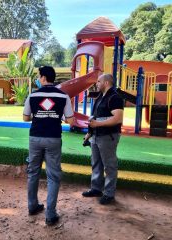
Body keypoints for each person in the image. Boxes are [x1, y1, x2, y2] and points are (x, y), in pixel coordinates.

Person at [23, 66, 74, 226]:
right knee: (53, 176)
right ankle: (50, 215)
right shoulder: (63, 96)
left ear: (44, 78)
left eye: (39, 76)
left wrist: (39, 115)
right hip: (53, 138)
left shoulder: (33, 95)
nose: (38, 78)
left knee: (33, 172)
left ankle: (32, 206)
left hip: (35, 137)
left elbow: (25, 118)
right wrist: (56, 117)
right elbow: (70, 120)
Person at [82, 73, 124, 205]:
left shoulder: (115, 97)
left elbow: (118, 118)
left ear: (106, 83)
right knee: (96, 164)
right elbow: (95, 117)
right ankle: (96, 189)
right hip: (96, 135)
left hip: (108, 136)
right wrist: (89, 133)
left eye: (99, 81)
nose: (97, 84)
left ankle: (109, 194)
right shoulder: (101, 96)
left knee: (109, 166)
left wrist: (97, 125)